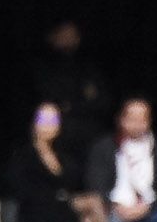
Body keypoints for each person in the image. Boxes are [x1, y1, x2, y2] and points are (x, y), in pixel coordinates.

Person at [6, 102, 108, 222]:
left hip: (65, 216)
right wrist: (64, 201)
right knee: (93, 204)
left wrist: (67, 201)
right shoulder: (23, 155)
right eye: (43, 120)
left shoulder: (64, 156)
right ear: (34, 123)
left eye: (53, 120)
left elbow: (74, 186)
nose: (48, 125)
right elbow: (26, 192)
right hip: (37, 215)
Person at [87, 97, 157, 222]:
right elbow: (96, 186)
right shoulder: (104, 148)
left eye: (142, 119)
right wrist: (116, 207)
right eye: (131, 119)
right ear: (120, 119)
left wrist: (146, 208)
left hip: (150, 211)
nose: (137, 124)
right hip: (116, 211)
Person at [30, 19, 113, 158]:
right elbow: (48, 101)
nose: (68, 38)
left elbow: (103, 102)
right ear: (52, 37)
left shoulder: (89, 68)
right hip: (54, 135)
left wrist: (72, 105)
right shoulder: (41, 70)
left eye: (72, 35)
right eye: (63, 34)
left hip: (88, 135)